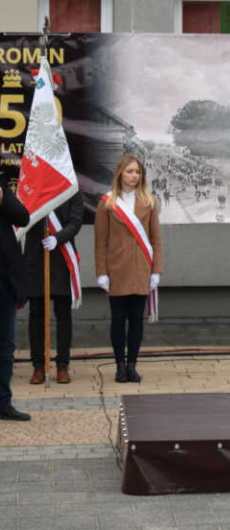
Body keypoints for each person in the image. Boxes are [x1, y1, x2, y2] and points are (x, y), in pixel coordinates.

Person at [94, 155, 162, 384]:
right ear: (120, 174)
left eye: (138, 172)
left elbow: (156, 240)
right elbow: (100, 242)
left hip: (141, 269)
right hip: (116, 269)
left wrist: (156, 271)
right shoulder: (107, 202)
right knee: (118, 319)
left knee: (136, 320)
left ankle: (132, 365)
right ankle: (120, 366)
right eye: (130, 171)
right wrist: (102, 272)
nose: (134, 176)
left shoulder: (149, 202)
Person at [26, 192, 84, 384]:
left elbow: (75, 222)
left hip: (62, 257)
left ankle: (62, 365)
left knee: (63, 315)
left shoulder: (71, 187)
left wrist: (58, 238)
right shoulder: (34, 186)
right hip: (36, 255)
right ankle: (38, 366)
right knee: (36, 315)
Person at [0, 185, 30, 422]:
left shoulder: (2, 191)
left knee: (5, 346)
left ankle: (3, 402)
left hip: (4, 284)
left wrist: (3, 198)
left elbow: (23, 217)